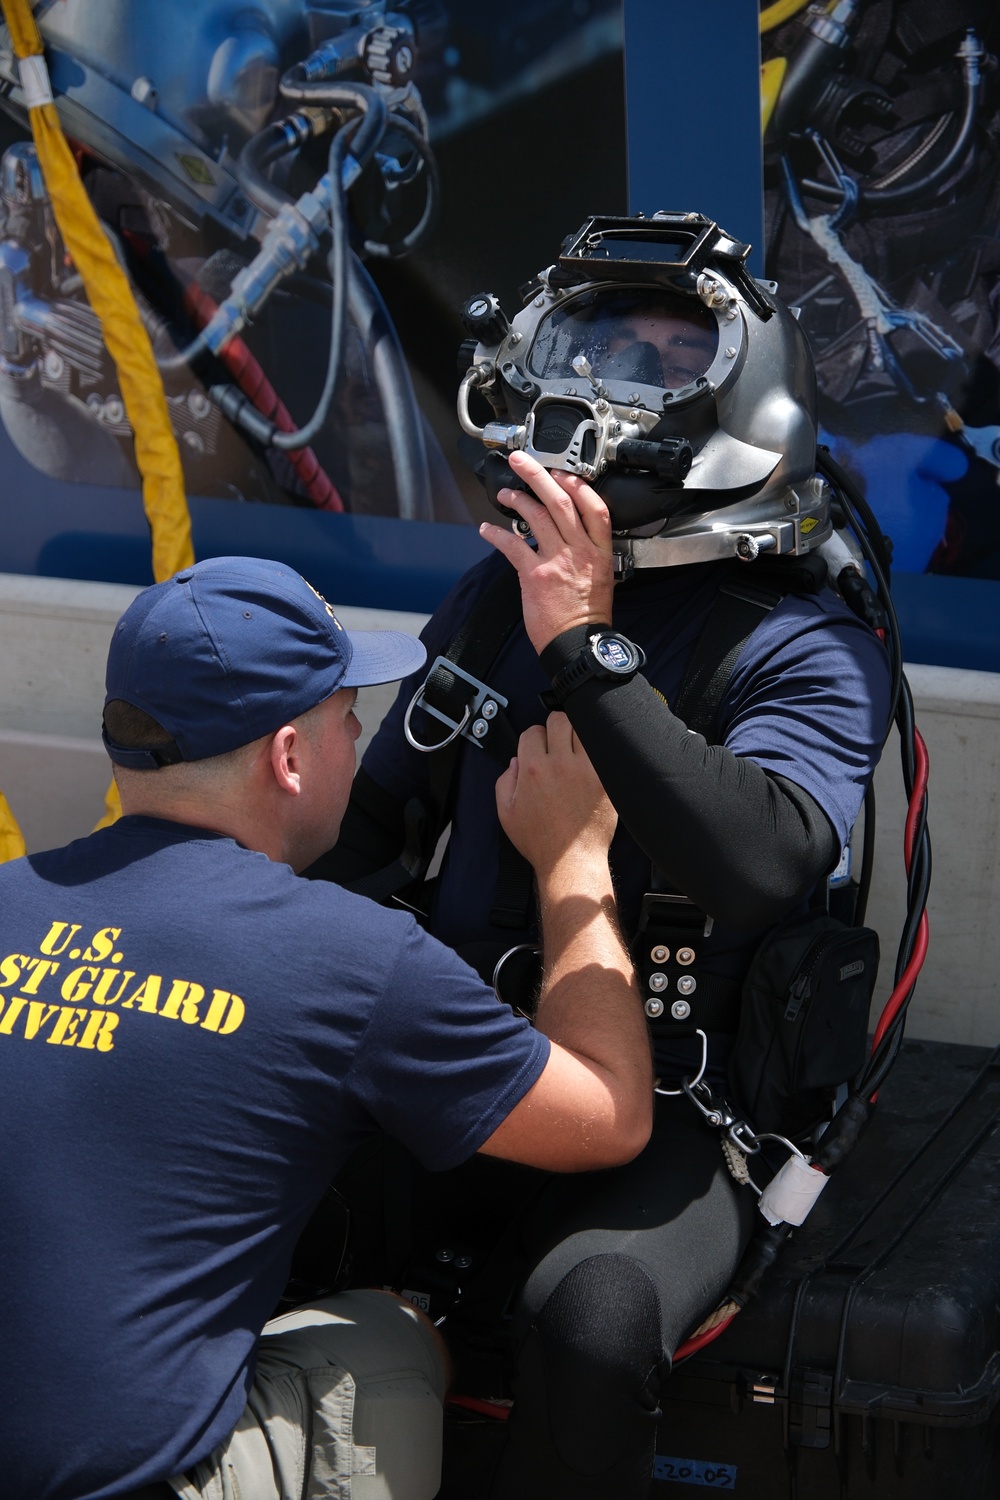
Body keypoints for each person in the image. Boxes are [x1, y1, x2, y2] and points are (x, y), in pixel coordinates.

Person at [309, 222, 894, 1491]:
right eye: (611, 344)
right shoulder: (491, 600)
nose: (623, 381)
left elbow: (767, 865)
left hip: (680, 1110)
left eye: (674, 357)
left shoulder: (803, 642)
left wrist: (582, 645)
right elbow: (367, 835)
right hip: (461, 1058)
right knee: (258, 1192)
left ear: (744, 397)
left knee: (595, 1320)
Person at [0, 554, 653, 1500]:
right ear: (289, 758)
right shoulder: (350, 958)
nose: (361, 742)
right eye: (351, 718)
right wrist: (575, 858)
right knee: (390, 1339)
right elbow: (612, 1111)